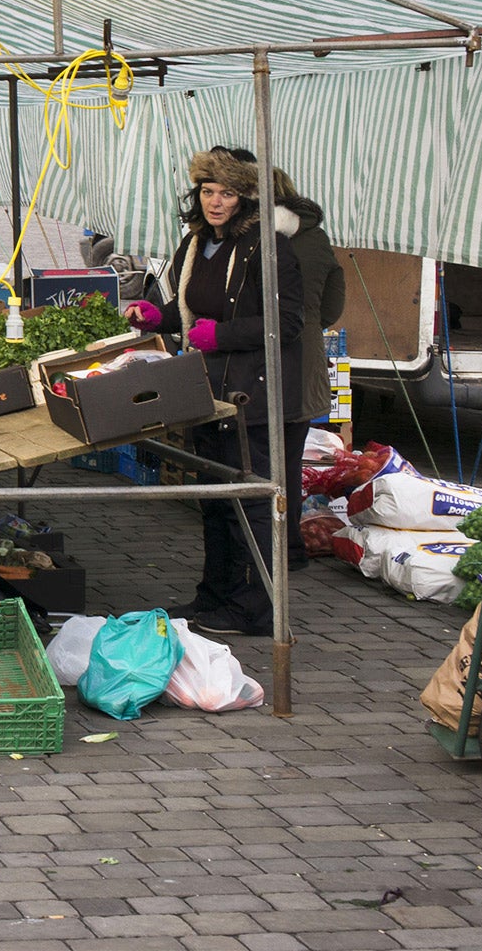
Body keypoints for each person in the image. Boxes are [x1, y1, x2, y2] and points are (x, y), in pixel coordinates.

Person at [125, 147, 304, 636]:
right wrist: (156, 314)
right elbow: (186, 304)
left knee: (248, 502)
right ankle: (215, 595)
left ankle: (254, 607)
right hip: (207, 390)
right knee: (215, 500)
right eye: (208, 191)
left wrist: (221, 336)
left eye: (226, 193)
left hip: (252, 394)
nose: (215, 202)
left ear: (246, 197)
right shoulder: (195, 244)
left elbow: (287, 322)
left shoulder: (270, 247)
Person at [264, 160, 346, 571]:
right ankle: (292, 548)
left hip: (262, 356)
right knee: (290, 459)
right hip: (308, 358)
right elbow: (333, 305)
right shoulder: (319, 238)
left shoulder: (260, 239)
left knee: (260, 458)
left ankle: (268, 549)